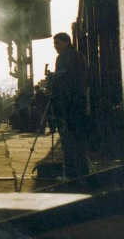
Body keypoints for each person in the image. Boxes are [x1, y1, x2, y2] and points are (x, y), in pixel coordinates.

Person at [50, 32, 89, 180]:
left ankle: (71, 174)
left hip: (67, 105)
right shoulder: (79, 55)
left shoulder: (63, 56)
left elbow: (62, 78)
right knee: (79, 141)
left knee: (68, 140)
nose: (55, 47)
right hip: (79, 102)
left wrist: (53, 78)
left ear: (66, 42)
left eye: (58, 43)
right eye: (54, 44)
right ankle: (82, 172)